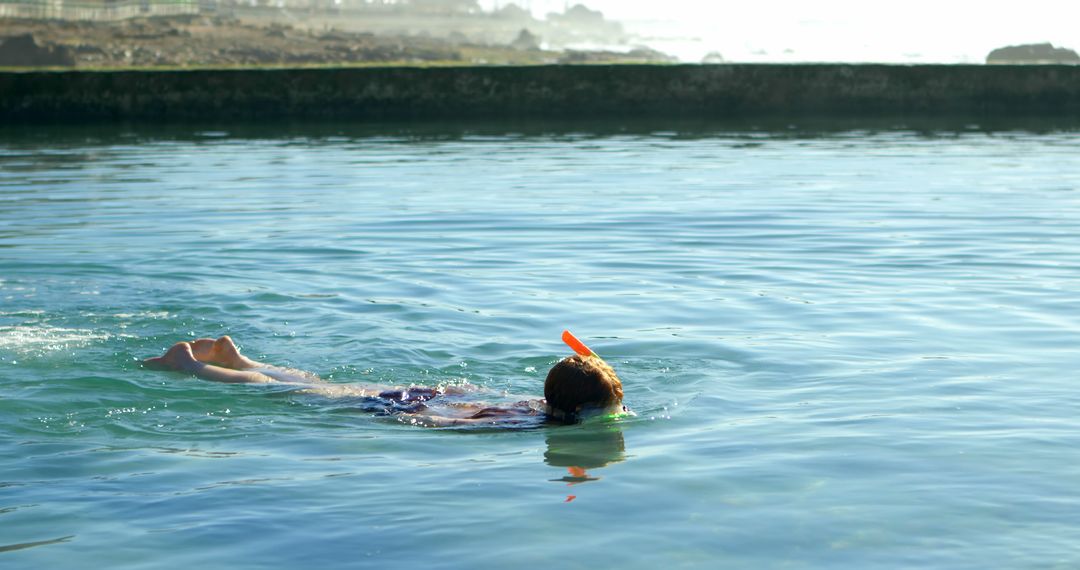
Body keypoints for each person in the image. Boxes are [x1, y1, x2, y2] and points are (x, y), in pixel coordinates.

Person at [144, 336, 630, 427]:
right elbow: (463, 424)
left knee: (313, 383)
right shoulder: (535, 423)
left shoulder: (539, 405)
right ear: (582, 411)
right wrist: (413, 420)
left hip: (422, 396)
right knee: (293, 391)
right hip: (410, 408)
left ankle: (238, 356)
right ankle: (188, 363)